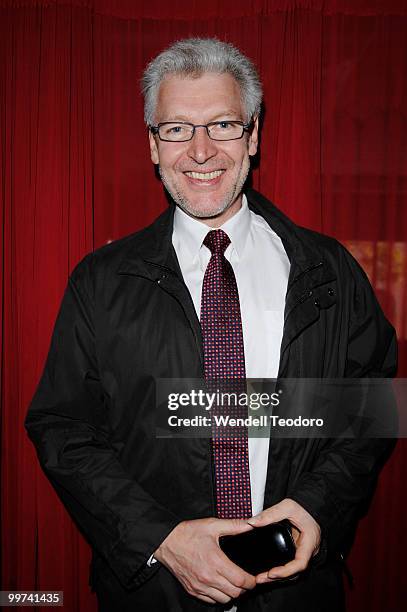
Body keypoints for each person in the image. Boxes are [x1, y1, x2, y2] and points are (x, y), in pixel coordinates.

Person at [25, 38, 397, 612]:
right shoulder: (99, 282)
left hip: (296, 593)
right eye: (176, 129)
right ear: (153, 144)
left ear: (253, 136)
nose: (200, 151)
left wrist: (319, 506)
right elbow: (63, 428)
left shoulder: (331, 273)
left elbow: (370, 408)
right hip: (156, 594)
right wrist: (163, 540)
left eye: (222, 124)